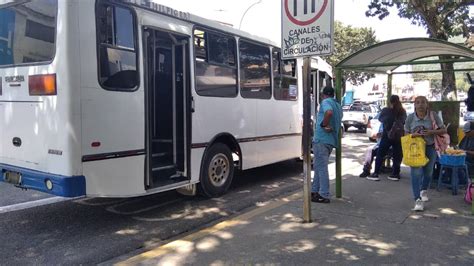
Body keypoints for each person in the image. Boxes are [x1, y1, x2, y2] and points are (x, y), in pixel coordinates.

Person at [404, 96, 447, 212]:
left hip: (430, 147)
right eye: (418, 102)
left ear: (427, 104)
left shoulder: (433, 115)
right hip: (415, 149)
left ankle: (423, 189)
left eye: (423, 102)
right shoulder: (410, 118)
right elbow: (406, 134)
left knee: (428, 172)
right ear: (415, 105)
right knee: (416, 173)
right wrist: (414, 135)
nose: (420, 104)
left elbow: (444, 130)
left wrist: (431, 132)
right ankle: (417, 200)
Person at [311, 86, 343, 203]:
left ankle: (324, 194)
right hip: (330, 141)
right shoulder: (338, 105)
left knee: (321, 168)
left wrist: (324, 125)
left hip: (321, 140)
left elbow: (328, 112)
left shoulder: (326, 102)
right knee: (319, 167)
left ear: (323, 94)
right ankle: (315, 191)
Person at [367, 95, 406, 181]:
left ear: (390, 101)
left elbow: (381, 119)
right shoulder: (402, 111)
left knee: (380, 154)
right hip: (398, 136)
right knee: (397, 155)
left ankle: (376, 173)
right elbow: (403, 121)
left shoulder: (386, 110)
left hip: (387, 135)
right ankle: (395, 173)